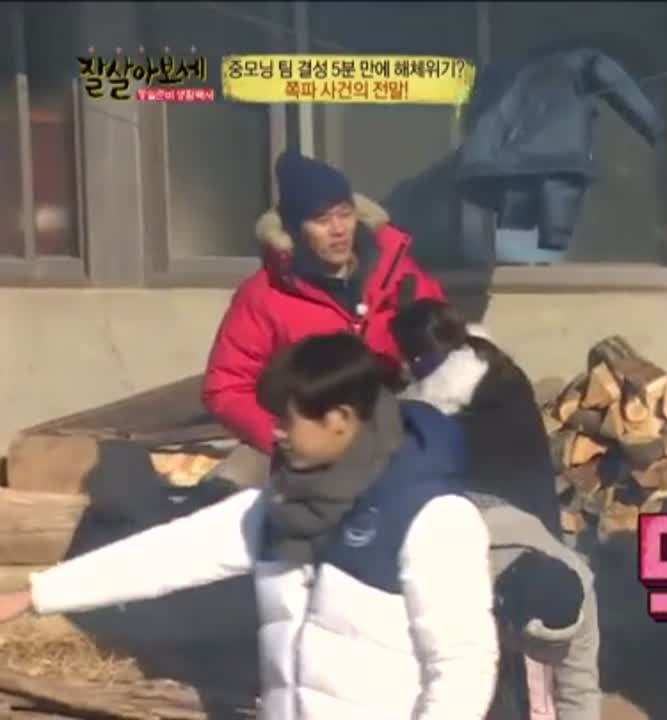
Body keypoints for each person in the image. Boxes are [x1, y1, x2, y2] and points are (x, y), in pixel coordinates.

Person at [0, 334, 498, 719]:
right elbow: (167, 554)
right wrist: (34, 595)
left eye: (288, 420)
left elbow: (461, 668)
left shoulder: (431, 518)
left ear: (340, 419)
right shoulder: (280, 506)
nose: (275, 433)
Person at [203, 150, 447, 456]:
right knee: (236, 477)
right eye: (322, 220)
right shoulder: (264, 295)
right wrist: (280, 436)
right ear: (294, 230)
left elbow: (445, 343)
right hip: (310, 444)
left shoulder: (398, 271)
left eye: (345, 214)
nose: (338, 230)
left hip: (397, 430)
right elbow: (226, 387)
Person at [391, 299, 563, 539]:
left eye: (403, 355)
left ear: (418, 357)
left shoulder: (443, 414)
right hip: (539, 525)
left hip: (508, 535)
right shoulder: (498, 372)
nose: (401, 366)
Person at [469, 491, 600, 720]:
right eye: (537, 646)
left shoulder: (581, 588)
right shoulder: (461, 578)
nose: (544, 657)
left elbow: (580, 692)